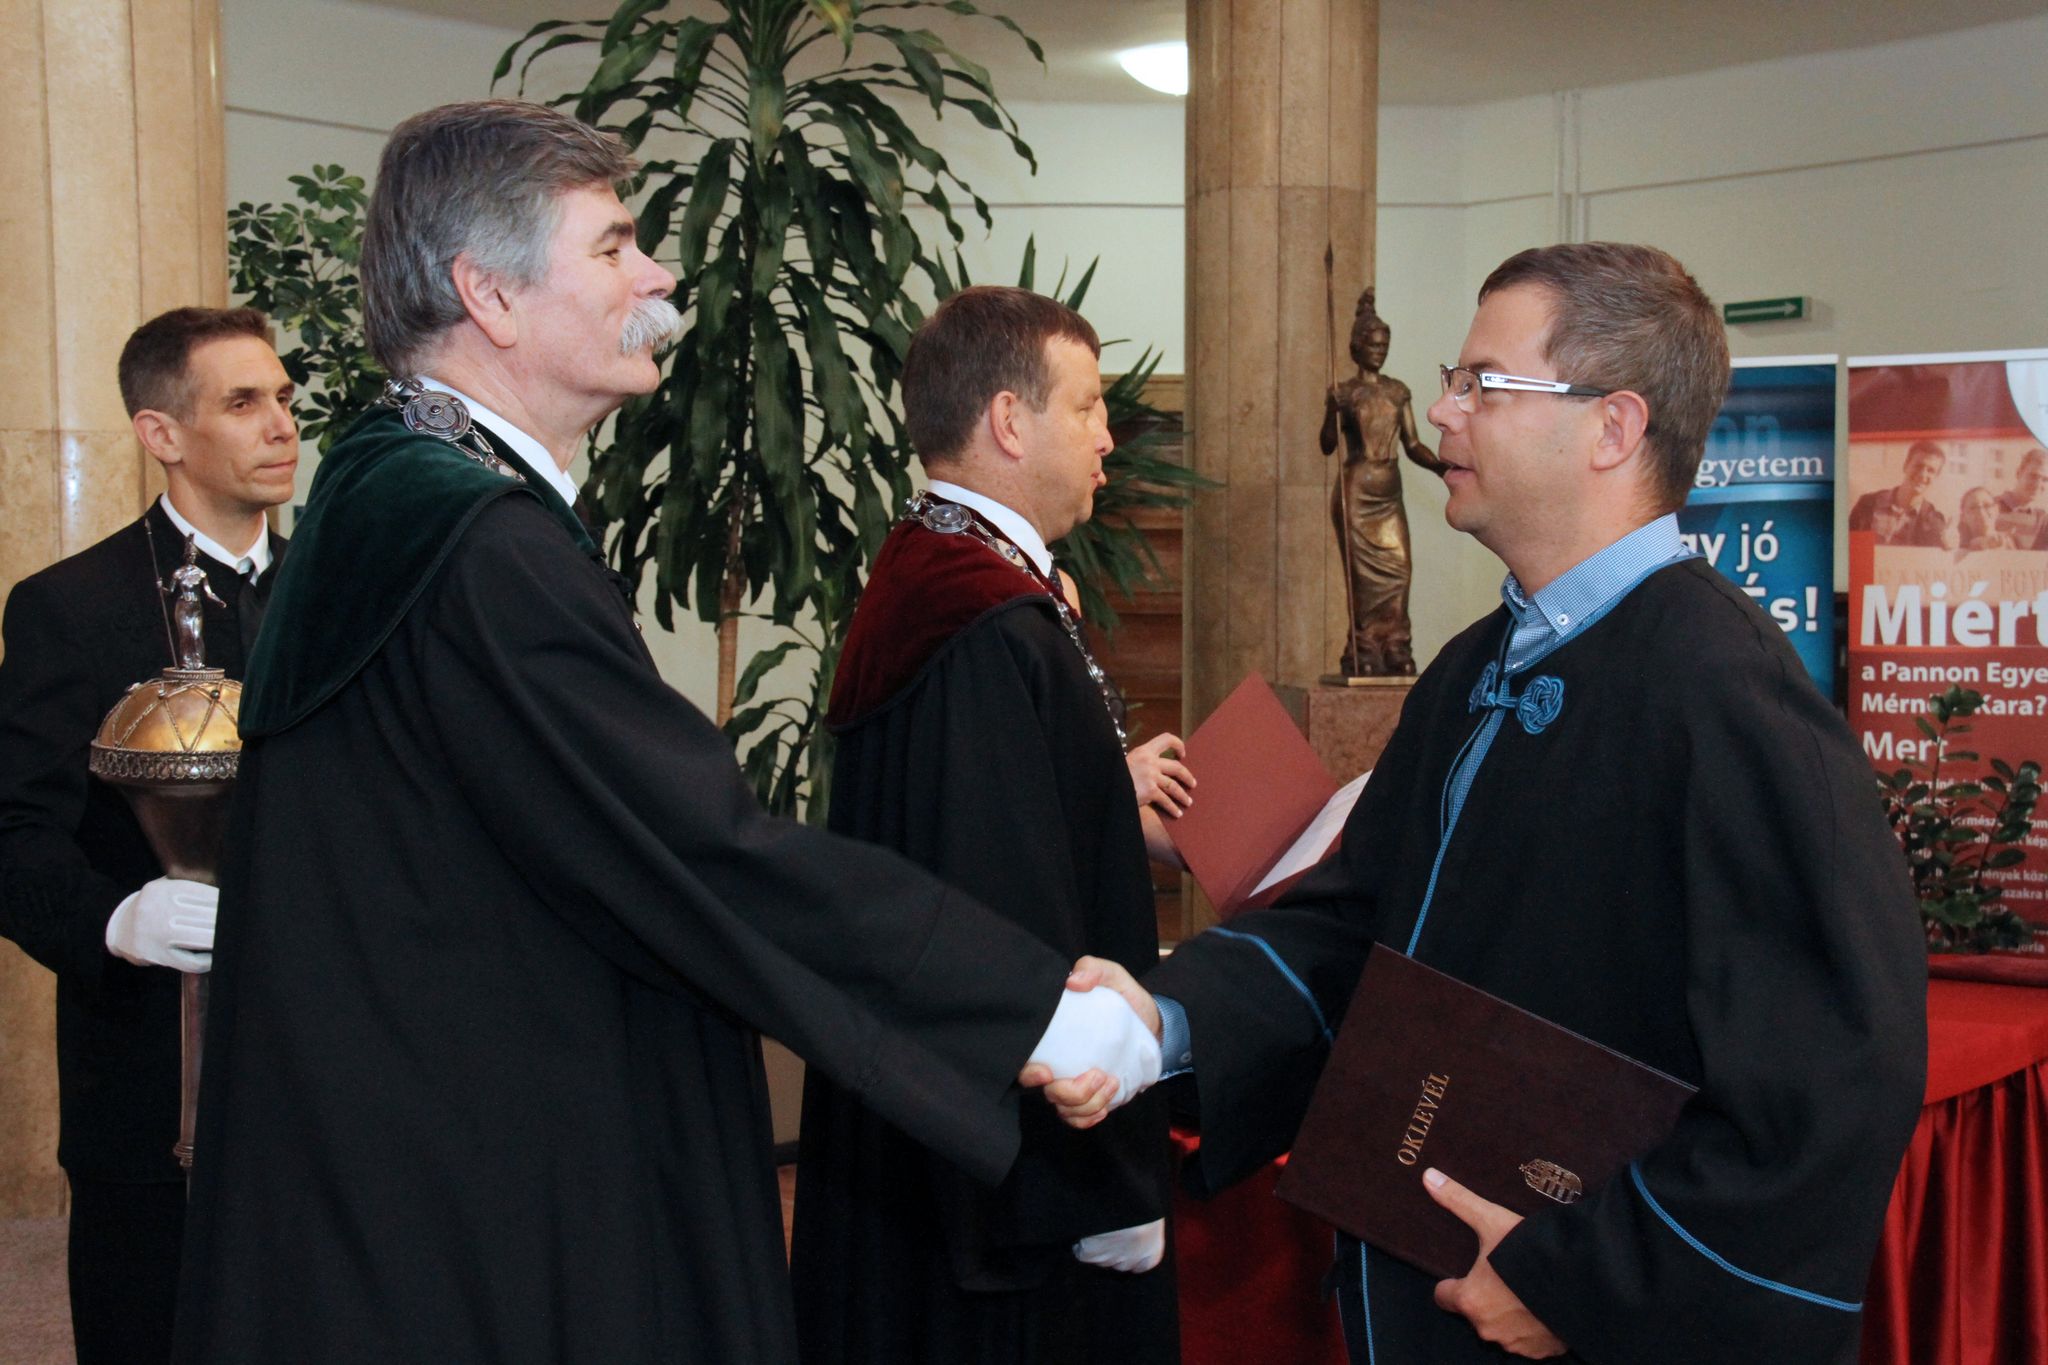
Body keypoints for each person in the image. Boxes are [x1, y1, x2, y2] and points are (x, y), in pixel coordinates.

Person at [170, 101, 1156, 1365]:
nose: (658, 276)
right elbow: (696, 845)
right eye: (612, 246)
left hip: (422, 1138)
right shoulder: (473, 541)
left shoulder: (398, 485)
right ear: (489, 294)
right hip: (478, 1187)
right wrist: (1028, 1011)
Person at [1043, 243, 1927, 1364]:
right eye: (1449, 380)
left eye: (1481, 384)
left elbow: (1835, 1077)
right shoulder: (1473, 669)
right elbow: (1354, 930)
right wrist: (1164, 1019)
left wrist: (1580, 1285)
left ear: (1613, 427)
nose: (1442, 412)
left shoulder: (1726, 697)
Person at [791, 287, 1180, 1365]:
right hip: (1001, 1178)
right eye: (1088, 406)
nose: (1108, 437)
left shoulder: (951, 573)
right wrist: (1098, 1179)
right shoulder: (978, 616)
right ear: (1009, 421)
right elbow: (1008, 913)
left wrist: (1110, 802)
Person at [0, 306, 295, 1365]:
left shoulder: (340, 594)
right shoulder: (71, 606)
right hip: (146, 1073)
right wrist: (114, 918)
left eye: (283, 397)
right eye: (242, 402)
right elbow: (14, 830)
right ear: (160, 432)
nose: (281, 425)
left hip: (323, 1065)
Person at [1320, 288, 1447, 676]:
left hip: (1389, 491)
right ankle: (1364, 650)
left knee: (1399, 570)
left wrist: (1443, 467)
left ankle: (1395, 646)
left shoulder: (1396, 391)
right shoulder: (1344, 392)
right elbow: (1327, 445)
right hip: (1356, 490)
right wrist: (1332, 411)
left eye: (1384, 345)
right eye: (1373, 345)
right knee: (1361, 581)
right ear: (1356, 347)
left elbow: (1413, 445)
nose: (1379, 351)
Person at [1847, 440, 1951, 546]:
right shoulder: (1867, 504)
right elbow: (1847, 545)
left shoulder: (1934, 522)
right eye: (1918, 466)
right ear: (1905, 466)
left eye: (1931, 470)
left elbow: (1940, 551)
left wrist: (1949, 542)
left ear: (1936, 477)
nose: (1923, 475)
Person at [1989, 447, 2048, 549]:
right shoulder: (1989, 507)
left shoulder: (2042, 521)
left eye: (2045, 479)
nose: (2038, 484)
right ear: (2018, 473)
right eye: (2033, 476)